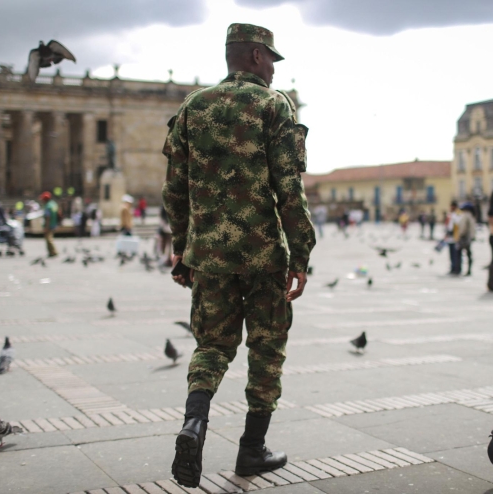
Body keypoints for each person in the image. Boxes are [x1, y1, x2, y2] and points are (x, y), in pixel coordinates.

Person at [161, 23, 316, 488]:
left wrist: (183, 250)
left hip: (208, 256)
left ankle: (194, 425)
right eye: (270, 58)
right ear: (253, 55)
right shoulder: (273, 105)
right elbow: (290, 189)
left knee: (211, 348)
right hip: (262, 256)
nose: (272, 67)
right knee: (266, 349)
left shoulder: (193, 106)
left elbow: (175, 191)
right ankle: (252, 450)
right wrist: (301, 255)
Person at [458, 202, 477, 276]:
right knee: (468, 254)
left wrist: (460, 235)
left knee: (461, 253)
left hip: (465, 237)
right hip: (469, 237)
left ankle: (460, 268)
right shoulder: (472, 216)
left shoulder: (466, 215)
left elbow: (463, 227)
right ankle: (469, 269)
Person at [40, 192, 58, 257]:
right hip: (54, 223)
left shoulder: (48, 206)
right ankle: (52, 252)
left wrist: (46, 227)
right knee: (50, 238)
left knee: (49, 238)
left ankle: (53, 251)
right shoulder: (53, 204)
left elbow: (48, 217)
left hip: (49, 224)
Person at [445, 201, 461, 274]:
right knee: (451, 254)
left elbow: (457, 225)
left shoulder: (458, 214)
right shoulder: (451, 214)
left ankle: (457, 268)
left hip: (455, 237)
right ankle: (453, 267)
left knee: (456, 254)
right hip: (450, 237)